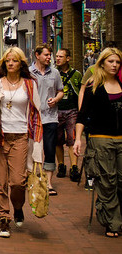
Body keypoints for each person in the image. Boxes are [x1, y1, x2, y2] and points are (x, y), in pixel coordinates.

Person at [0, 47, 44, 238]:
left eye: (14, 60)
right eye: (8, 61)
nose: (11, 63)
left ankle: (17, 206)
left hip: (21, 136)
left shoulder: (30, 84)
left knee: (17, 182)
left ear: (21, 63)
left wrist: (37, 142)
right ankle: (3, 219)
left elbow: (37, 113)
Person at [73, 47, 122, 238]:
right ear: (101, 63)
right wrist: (78, 139)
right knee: (107, 181)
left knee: (120, 181)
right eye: (111, 61)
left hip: (120, 140)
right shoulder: (94, 87)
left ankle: (115, 216)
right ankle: (113, 223)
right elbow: (82, 115)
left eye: (117, 62)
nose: (114, 65)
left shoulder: (121, 84)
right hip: (100, 140)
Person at [30, 45, 64, 196]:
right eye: (46, 55)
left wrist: (56, 99)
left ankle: (48, 183)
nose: (49, 58)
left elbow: (61, 91)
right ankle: (34, 178)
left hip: (50, 117)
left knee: (49, 149)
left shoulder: (54, 73)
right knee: (34, 150)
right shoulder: (29, 73)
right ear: (37, 55)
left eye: (50, 55)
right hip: (34, 118)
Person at [54, 48, 82, 181]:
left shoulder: (76, 75)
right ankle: (61, 165)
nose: (58, 58)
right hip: (56, 110)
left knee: (72, 138)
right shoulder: (53, 73)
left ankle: (74, 167)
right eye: (57, 56)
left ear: (68, 58)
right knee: (58, 139)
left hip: (72, 110)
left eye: (61, 56)